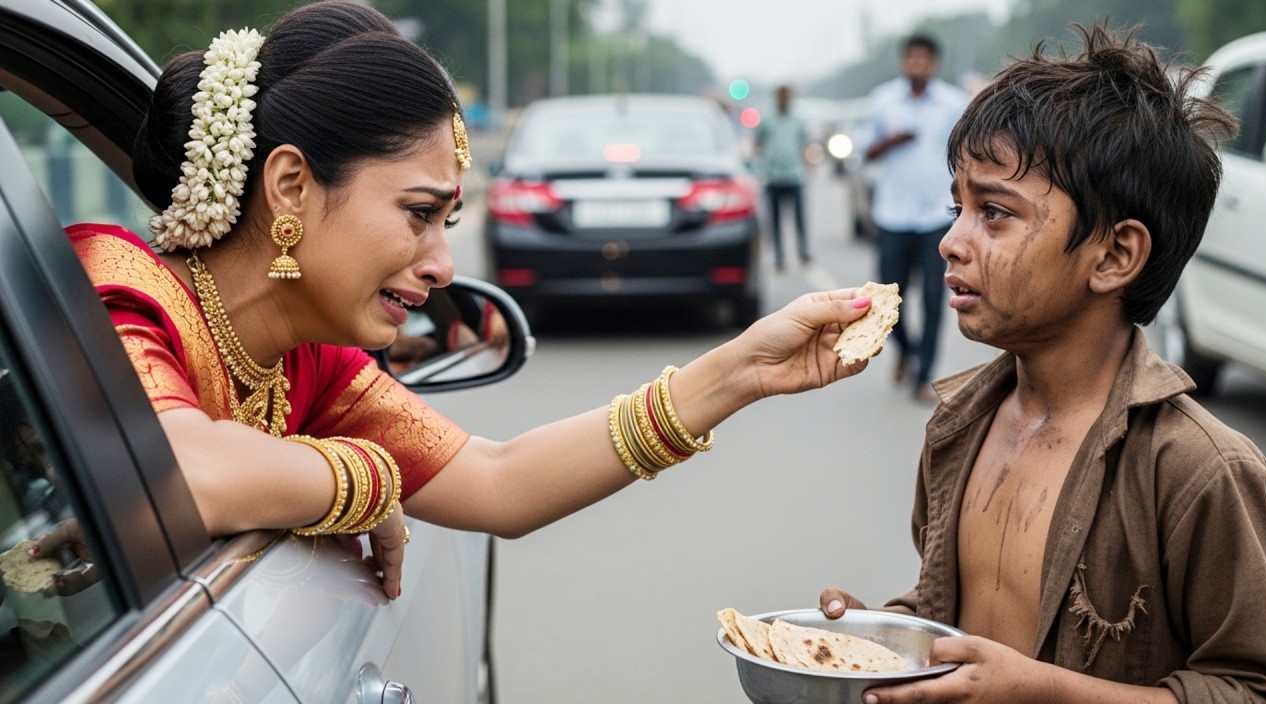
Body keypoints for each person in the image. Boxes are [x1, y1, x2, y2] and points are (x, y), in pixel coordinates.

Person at [54, 0, 879, 603]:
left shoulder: (306, 360)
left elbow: (500, 481)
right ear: (292, 186)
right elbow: (181, 471)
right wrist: (368, 478)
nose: (444, 266)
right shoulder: (115, 283)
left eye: (448, 223)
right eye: (419, 214)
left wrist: (741, 373)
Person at [819, 24, 1266, 704]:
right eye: (956, 208)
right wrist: (882, 638)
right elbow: (959, 613)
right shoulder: (959, 425)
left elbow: (1256, 696)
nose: (950, 241)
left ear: (1114, 256)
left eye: (994, 213)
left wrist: (1047, 698)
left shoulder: (1197, 471)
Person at [862, 34, 970, 404]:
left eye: (924, 58)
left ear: (934, 63)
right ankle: (906, 351)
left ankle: (924, 374)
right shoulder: (883, 100)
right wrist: (891, 141)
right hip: (893, 213)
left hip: (936, 215)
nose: (917, 64)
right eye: (911, 57)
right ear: (903, 61)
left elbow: (967, 152)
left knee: (934, 298)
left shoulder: (953, 103)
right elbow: (865, 151)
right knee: (886, 299)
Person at [755, 85, 811, 270]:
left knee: (799, 219)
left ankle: (803, 251)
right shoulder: (768, 121)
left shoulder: (797, 122)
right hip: (774, 177)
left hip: (794, 175)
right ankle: (779, 256)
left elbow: (805, 145)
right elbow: (758, 143)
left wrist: (808, 168)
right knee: (775, 220)